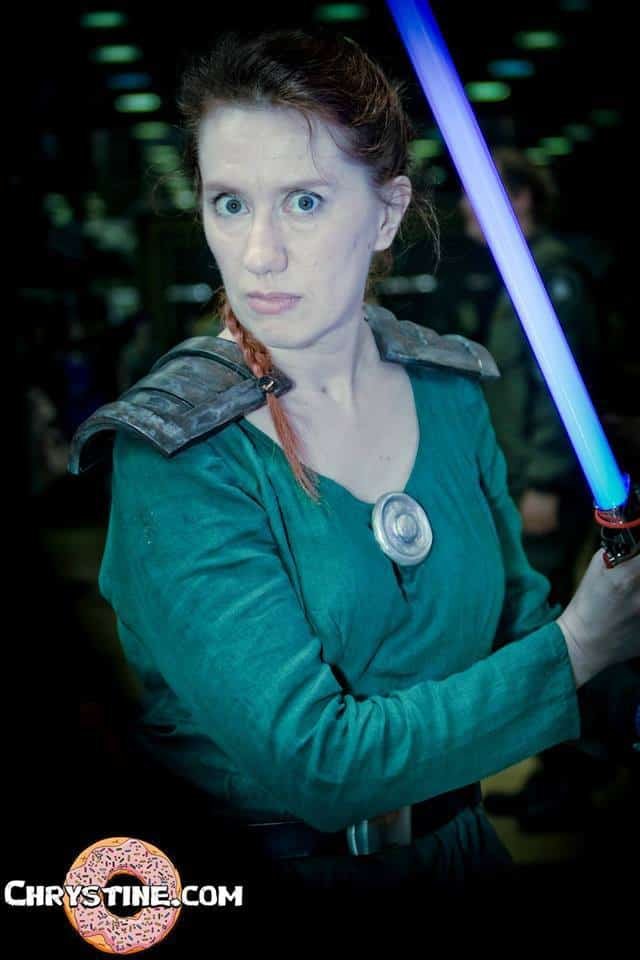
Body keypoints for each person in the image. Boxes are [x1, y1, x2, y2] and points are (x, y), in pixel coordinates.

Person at [68, 29, 639, 916]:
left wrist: (614, 656)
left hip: (464, 864)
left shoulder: (449, 391)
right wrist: (582, 647)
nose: (258, 252)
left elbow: (517, 631)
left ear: (386, 213)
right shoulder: (178, 451)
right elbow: (321, 767)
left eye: (303, 201)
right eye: (229, 203)